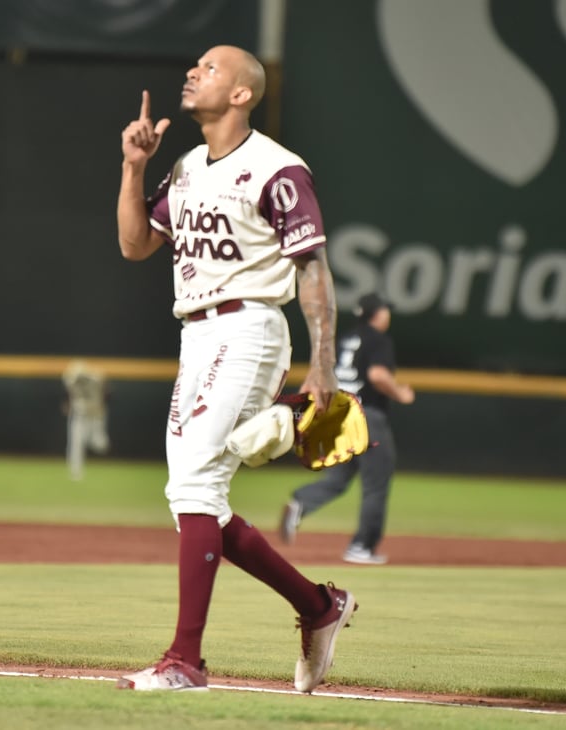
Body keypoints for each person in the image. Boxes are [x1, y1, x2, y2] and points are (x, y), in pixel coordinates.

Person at [115, 45, 356, 692]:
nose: (193, 73)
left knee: (195, 485)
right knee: (193, 500)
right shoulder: (190, 167)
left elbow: (313, 268)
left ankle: (185, 661)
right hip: (196, 333)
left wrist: (323, 363)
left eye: (211, 68)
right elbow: (136, 245)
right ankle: (318, 605)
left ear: (244, 94)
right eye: (195, 67)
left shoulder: (277, 169)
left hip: (250, 325)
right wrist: (134, 168)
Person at [279, 293, 415, 565]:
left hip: (342, 416)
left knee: (338, 478)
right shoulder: (378, 339)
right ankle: (362, 546)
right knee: (376, 485)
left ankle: (301, 502)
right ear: (377, 314)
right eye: (385, 310)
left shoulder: (345, 339)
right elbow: (377, 375)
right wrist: (400, 393)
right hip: (369, 418)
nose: (387, 314)